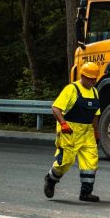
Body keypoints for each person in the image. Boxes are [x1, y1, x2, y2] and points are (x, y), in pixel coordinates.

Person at [44, 62, 103, 202]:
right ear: (83, 76)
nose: (93, 81)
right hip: (70, 131)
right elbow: (56, 108)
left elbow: (95, 114)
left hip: (87, 132)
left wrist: (96, 131)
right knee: (65, 161)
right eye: (90, 79)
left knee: (91, 162)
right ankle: (51, 179)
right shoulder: (72, 89)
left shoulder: (94, 92)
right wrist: (63, 124)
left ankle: (85, 193)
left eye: (95, 79)